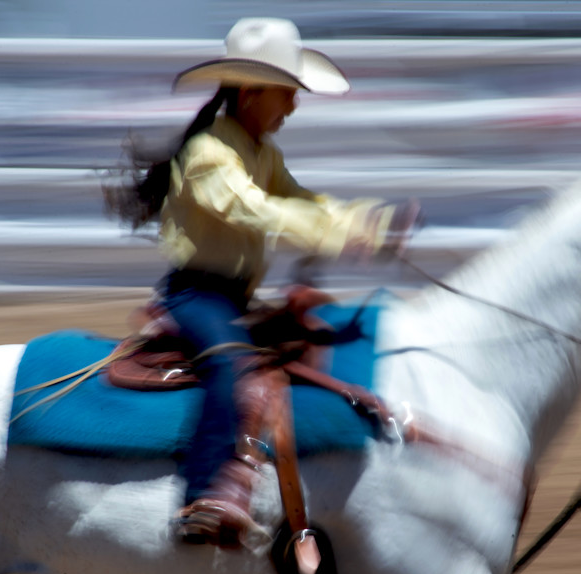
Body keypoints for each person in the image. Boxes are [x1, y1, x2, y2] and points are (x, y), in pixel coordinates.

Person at [105, 17, 419, 545]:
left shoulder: (262, 153)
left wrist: (366, 221)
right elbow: (256, 211)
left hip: (231, 295)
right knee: (228, 364)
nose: (293, 106)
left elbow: (302, 202)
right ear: (250, 93)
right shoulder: (208, 154)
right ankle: (202, 496)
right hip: (196, 295)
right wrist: (343, 236)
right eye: (286, 94)